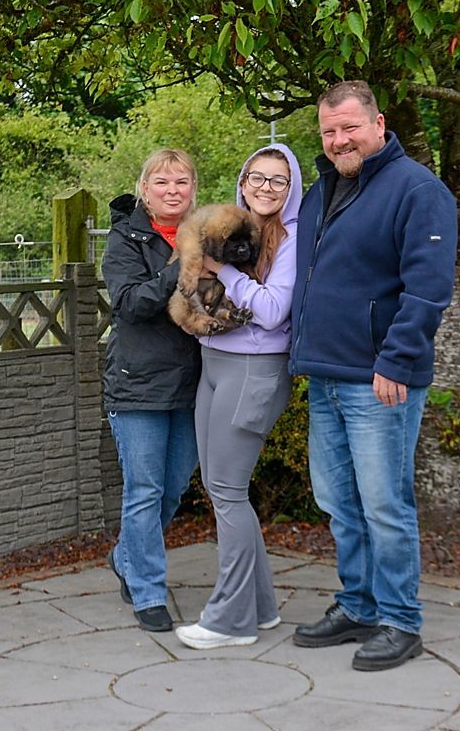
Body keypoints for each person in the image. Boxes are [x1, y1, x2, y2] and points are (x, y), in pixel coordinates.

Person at [289, 81, 457, 671]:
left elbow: (429, 287)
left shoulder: (418, 190)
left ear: (379, 123)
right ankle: (358, 605)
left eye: (349, 128)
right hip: (325, 375)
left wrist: (396, 358)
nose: (339, 140)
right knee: (339, 502)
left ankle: (400, 621)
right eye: (329, 131)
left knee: (385, 505)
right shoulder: (322, 191)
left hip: (379, 380)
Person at [173, 144, 304, 650]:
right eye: (258, 177)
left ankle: (230, 620)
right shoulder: (230, 228)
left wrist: (221, 271)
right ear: (243, 181)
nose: (266, 188)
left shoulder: (290, 241)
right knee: (220, 486)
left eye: (279, 180)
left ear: (290, 190)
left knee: (227, 490)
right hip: (215, 363)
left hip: (254, 369)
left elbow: (273, 311)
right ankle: (263, 608)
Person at [102, 148, 202, 632]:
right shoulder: (126, 238)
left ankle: (125, 555)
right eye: (162, 183)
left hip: (191, 383)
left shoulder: (205, 236)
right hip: (138, 385)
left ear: (193, 190)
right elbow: (129, 303)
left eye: (181, 182)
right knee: (144, 490)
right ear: (145, 189)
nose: (172, 191)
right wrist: (180, 265)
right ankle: (147, 591)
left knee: (174, 487)